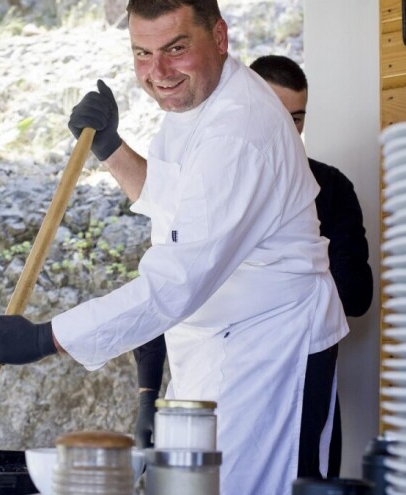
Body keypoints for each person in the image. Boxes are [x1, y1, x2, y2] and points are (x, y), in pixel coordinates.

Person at [0, 1, 349, 493]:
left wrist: (47, 338)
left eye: (176, 49)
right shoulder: (197, 99)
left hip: (272, 351)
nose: (159, 72)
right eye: (143, 53)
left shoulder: (239, 131)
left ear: (219, 37)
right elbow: (176, 206)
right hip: (212, 343)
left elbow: (176, 282)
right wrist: (110, 147)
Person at [132, 55, 374, 480]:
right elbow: (168, 287)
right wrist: (147, 394)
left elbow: (356, 297)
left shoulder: (331, 189)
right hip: (209, 381)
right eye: (276, 114)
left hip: (296, 377)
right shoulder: (206, 184)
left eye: (296, 119)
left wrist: (290, 267)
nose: (286, 130)